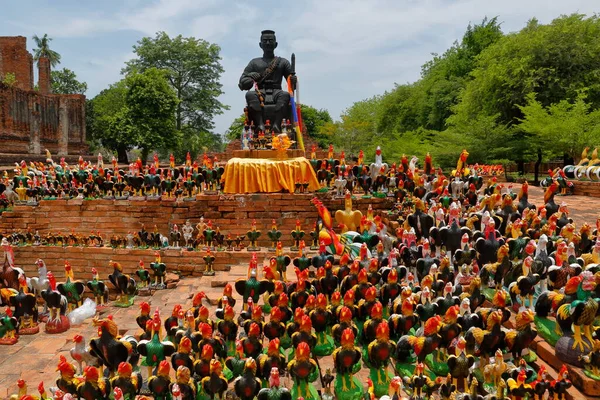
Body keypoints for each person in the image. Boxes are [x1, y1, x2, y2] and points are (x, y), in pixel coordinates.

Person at [239, 30, 297, 133]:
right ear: (260, 44)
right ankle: (260, 125)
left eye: (271, 40)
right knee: (250, 95)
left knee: (285, 95)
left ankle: (277, 125)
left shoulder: (283, 62)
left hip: (277, 91)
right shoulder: (254, 62)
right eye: (265, 41)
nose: (268, 43)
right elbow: (242, 83)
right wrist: (250, 77)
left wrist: (293, 80)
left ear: (276, 44)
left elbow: (292, 85)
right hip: (260, 92)